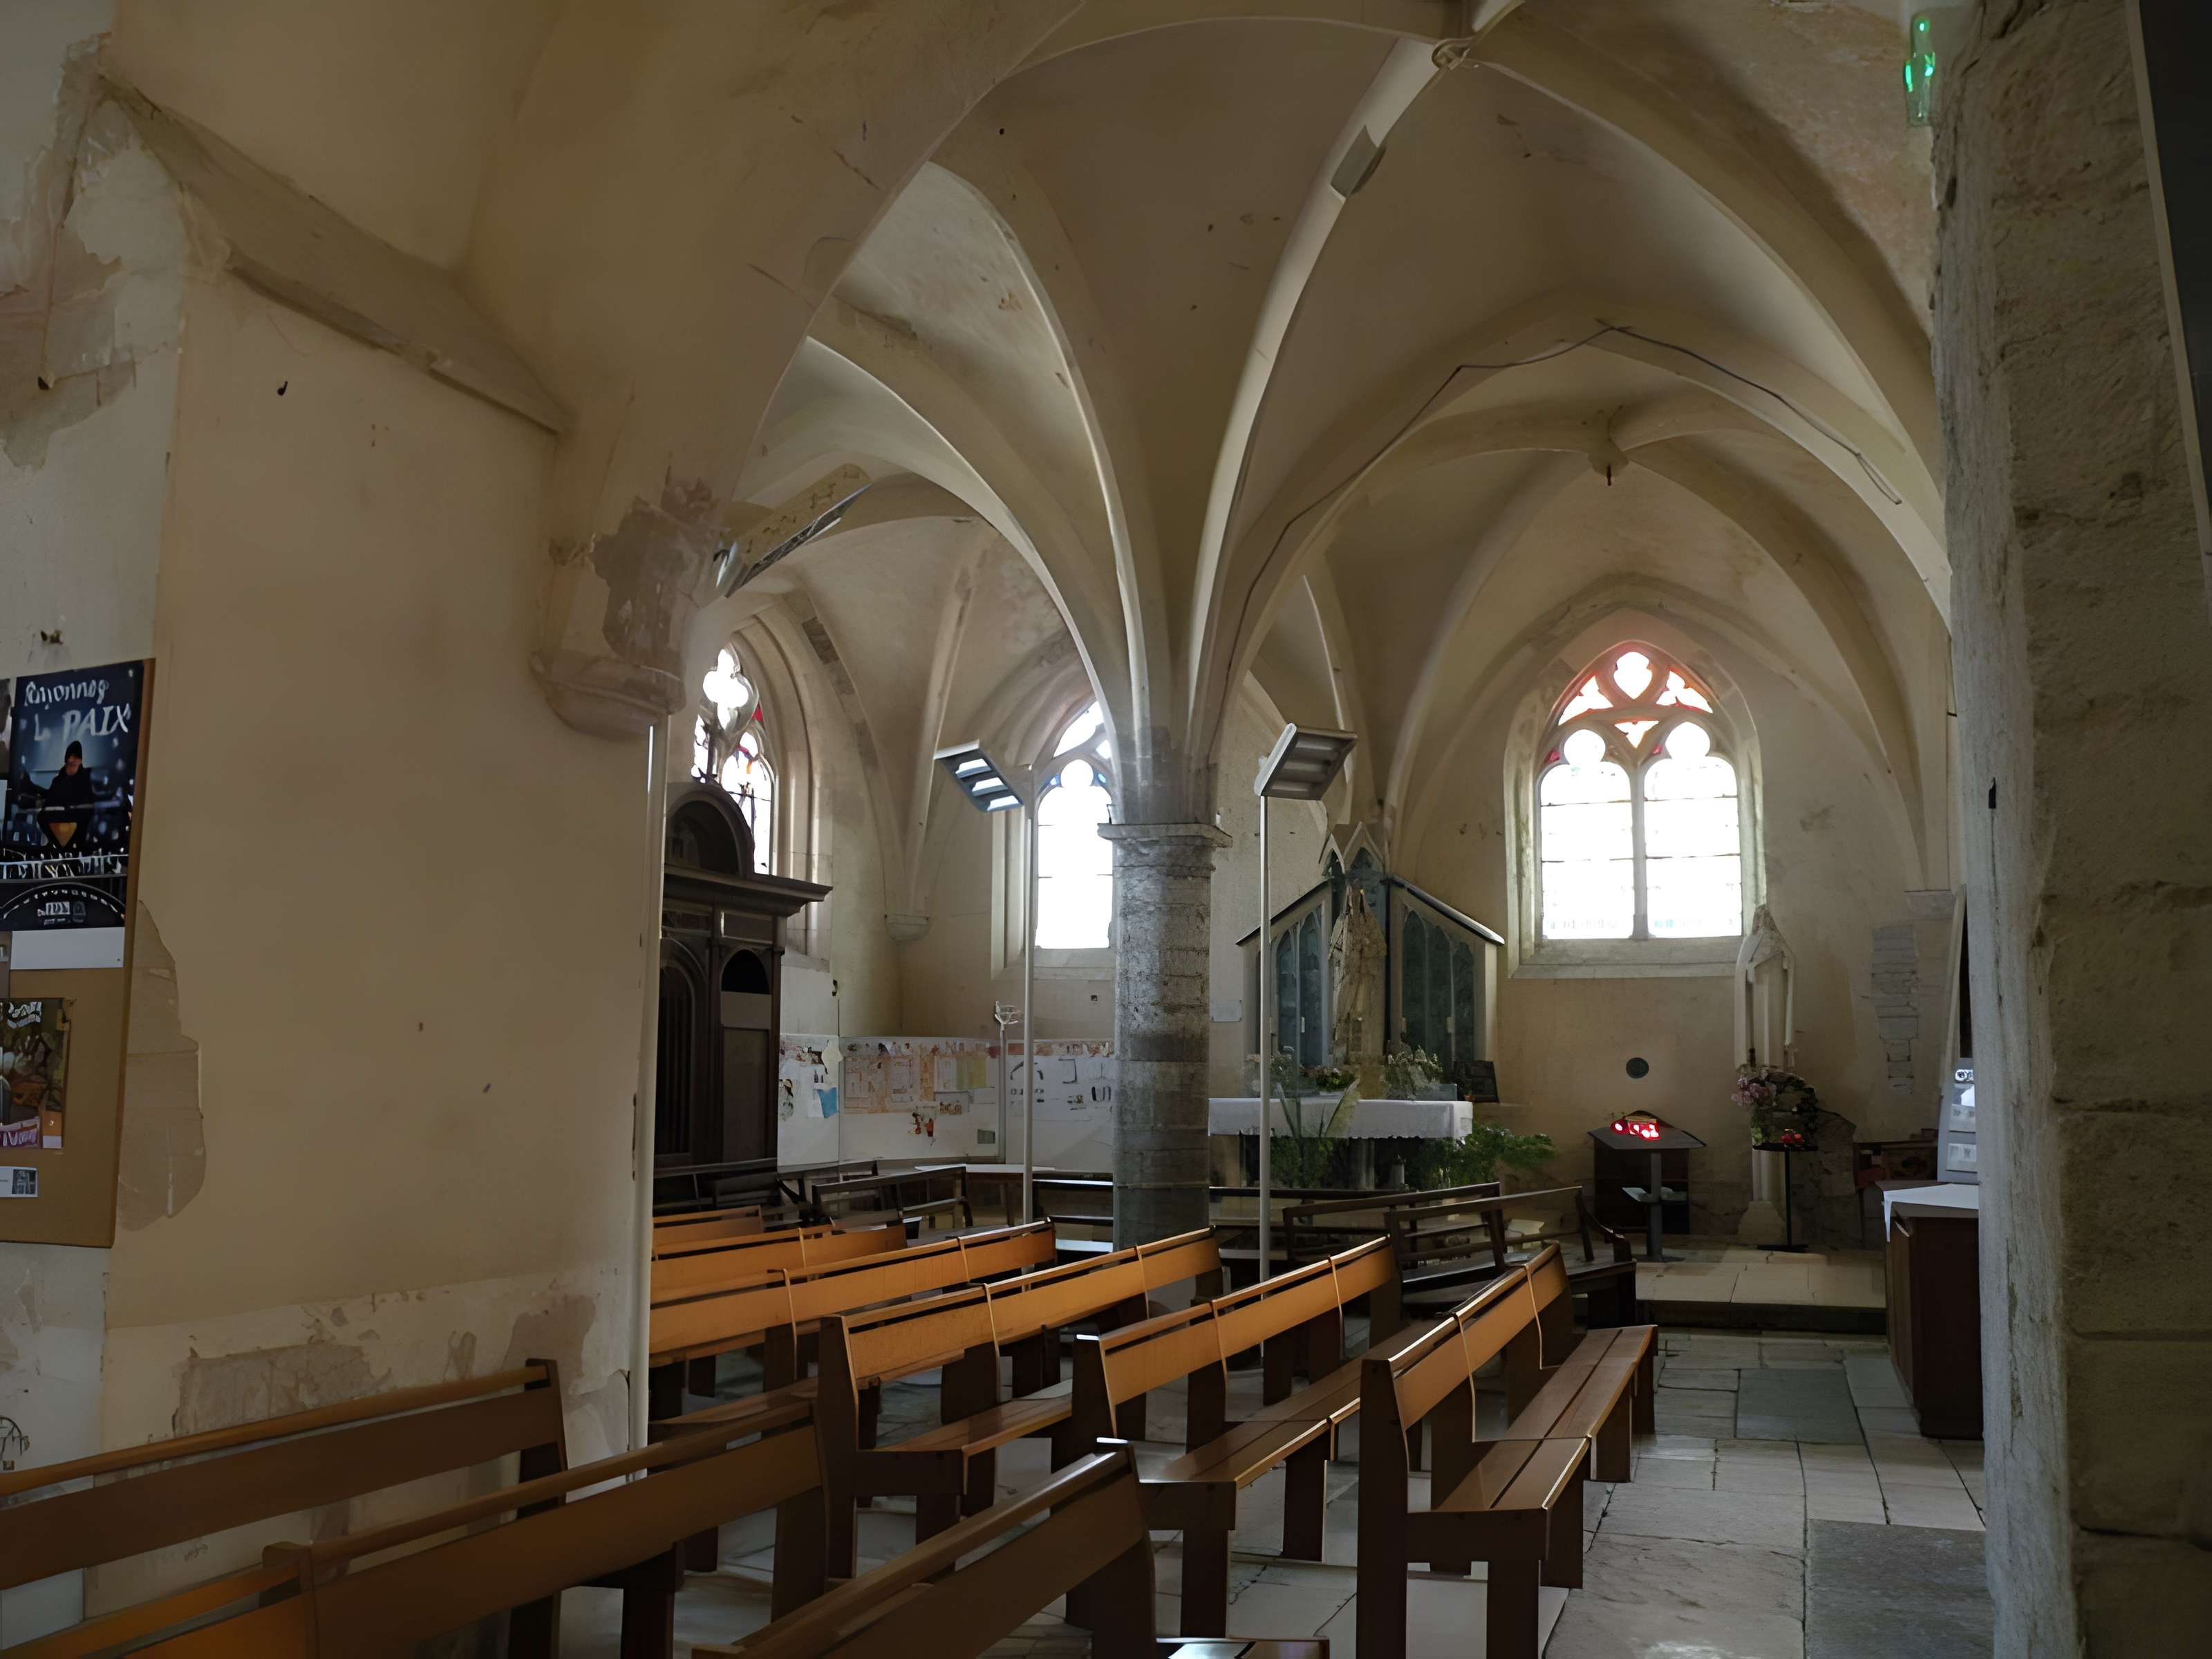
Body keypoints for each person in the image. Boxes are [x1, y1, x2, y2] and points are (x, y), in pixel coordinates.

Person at [37, 740, 97, 849]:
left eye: (75, 758)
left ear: (80, 761)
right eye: (70, 758)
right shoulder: (59, 780)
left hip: (78, 813)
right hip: (60, 813)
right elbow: (50, 799)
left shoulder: (86, 777)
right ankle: (59, 846)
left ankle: (73, 846)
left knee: (86, 816)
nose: (72, 760)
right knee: (41, 816)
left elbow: (89, 801)